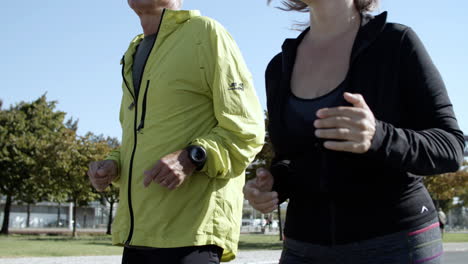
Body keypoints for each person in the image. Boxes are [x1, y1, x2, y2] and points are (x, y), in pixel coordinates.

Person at [244, 0, 465, 263]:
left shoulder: (397, 43)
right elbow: (291, 158)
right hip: (303, 247)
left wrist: (379, 136)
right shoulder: (278, 67)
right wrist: (273, 184)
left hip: (396, 244)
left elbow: (450, 146)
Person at [87, 0, 265, 263]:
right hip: (138, 236)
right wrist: (114, 164)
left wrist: (193, 156)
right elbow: (138, 138)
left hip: (192, 235)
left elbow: (246, 128)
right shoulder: (133, 52)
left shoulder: (205, 33)